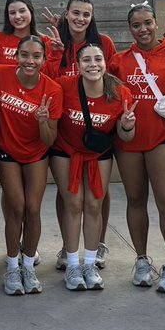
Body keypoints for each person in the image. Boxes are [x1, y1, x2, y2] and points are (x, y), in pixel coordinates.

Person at [108, 4, 165, 292]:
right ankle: (142, 260)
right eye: (136, 25)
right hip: (130, 140)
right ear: (130, 28)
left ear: (156, 24)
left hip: (164, 138)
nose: (143, 29)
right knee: (135, 200)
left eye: (147, 23)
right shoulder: (119, 61)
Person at [53, 44, 136, 291]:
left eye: (98, 59)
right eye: (87, 60)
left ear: (105, 62)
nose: (93, 64)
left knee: (93, 205)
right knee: (73, 203)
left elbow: (126, 137)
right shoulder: (64, 86)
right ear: (78, 66)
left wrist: (128, 125)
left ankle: (89, 263)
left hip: (99, 153)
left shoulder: (120, 92)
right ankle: (72, 264)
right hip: (66, 151)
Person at [45, 0, 117, 268]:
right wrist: (54, 53)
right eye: (75, 13)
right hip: (65, 129)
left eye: (86, 14)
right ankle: (68, 246)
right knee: (68, 193)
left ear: (92, 17)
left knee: (98, 192)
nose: (80, 19)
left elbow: (112, 80)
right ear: (66, 14)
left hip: (97, 129)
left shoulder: (103, 44)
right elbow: (48, 84)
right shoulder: (53, 42)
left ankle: (96, 243)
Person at [0, 36, 62, 295]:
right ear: (16, 56)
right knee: (16, 209)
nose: (30, 61)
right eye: (25, 55)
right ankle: (11, 267)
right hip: (6, 151)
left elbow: (50, 139)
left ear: (44, 58)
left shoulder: (52, 89)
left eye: (36, 56)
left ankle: (28, 266)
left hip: (37, 154)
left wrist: (43, 121)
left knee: (33, 209)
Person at [0, 0, 50, 67]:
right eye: (12, 13)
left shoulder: (45, 41)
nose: (17, 16)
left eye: (22, 11)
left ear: (30, 11)